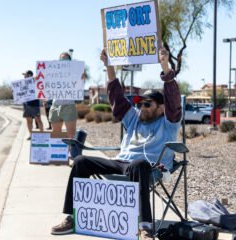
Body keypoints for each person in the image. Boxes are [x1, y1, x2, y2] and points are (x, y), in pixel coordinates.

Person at [50, 48, 182, 240]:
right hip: (121, 162)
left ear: (161, 108)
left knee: (139, 164)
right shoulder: (135, 118)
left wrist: (165, 66)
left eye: (147, 104)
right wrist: (108, 66)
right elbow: (116, 97)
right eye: (139, 102)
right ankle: (72, 217)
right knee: (80, 161)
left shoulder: (169, 123)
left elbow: (173, 100)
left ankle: (145, 227)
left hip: (150, 167)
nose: (141, 107)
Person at [49, 52, 78, 139]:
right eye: (61, 59)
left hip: (69, 106)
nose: (63, 61)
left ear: (70, 61)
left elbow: (78, 83)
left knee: (71, 134)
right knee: (56, 133)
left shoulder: (74, 73)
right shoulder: (53, 73)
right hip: (56, 105)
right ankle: (59, 152)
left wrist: (81, 76)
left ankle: (70, 151)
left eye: (66, 59)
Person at [22, 70, 44, 140]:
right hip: (26, 104)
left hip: (34, 104)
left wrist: (33, 79)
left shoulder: (35, 81)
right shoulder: (23, 83)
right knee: (28, 121)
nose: (24, 76)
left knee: (38, 119)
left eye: (25, 75)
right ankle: (31, 135)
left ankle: (41, 135)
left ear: (29, 75)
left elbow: (39, 78)